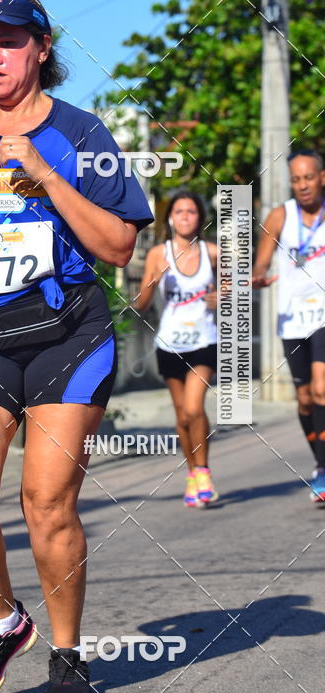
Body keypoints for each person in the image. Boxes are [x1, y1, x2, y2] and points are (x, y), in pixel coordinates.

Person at [0, 0, 153, 693]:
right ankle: (2, 621)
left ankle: (69, 652)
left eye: (8, 40)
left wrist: (46, 176)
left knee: (45, 502)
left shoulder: (84, 135)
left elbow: (119, 245)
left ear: (41, 49)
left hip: (68, 337)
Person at [136, 191, 219, 507]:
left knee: (195, 408)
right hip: (169, 344)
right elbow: (141, 305)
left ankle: (204, 471)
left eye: (191, 211)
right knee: (183, 415)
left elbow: (232, 291)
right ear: (170, 217)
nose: (185, 216)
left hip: (204, 341)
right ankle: (192, 472)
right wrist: (153, 281)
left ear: (200, 217)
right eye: (180, 211)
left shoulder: (213, 252)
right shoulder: (158, 253)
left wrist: (221, 297)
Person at [252, 151, 325, 503]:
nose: (302, 185)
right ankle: (320, 464)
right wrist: (258, 279)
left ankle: (324, 473)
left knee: (322, 389)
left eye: (308, 177)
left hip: (324, 315)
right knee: (305, 400)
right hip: (292, 320)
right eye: (296, 180)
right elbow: (261, 264)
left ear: (322, 177)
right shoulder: (280, 215)